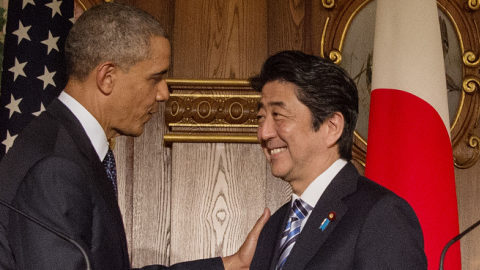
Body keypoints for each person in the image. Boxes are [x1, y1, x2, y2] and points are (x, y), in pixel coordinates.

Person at [0, 2, 269, 270]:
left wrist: (228, 265)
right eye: (155, 78)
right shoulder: (56, 167)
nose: (164, 93)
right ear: (107, 77)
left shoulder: (69, 145)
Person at [248, 50, 427, 270]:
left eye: (278, 116)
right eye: (261, 118)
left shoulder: (380, 215)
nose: (264, 133)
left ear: (332, 127)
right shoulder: (273, 227)